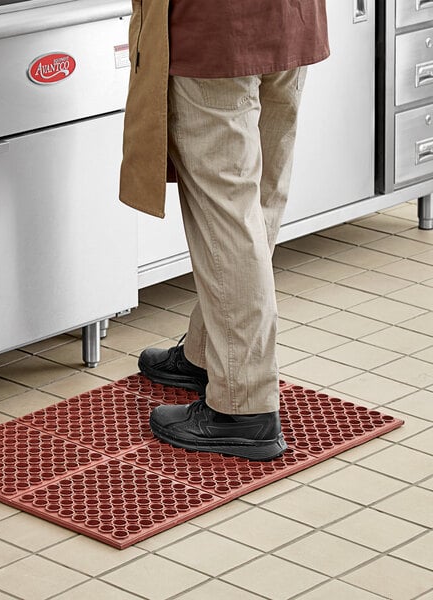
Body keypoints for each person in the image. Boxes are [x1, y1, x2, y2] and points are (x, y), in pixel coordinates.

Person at [119, 1, 329, 460]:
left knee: (229, 216)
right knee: (257, 204)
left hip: (216, 33)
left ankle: (243, 408)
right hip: (290, 21)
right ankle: (208, 355)